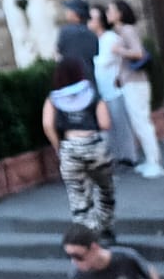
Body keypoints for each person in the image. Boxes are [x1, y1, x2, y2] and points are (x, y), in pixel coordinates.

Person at [45, 54, 116, 240]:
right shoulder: (92, 93)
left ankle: (87, 239)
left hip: (70, 148)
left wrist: (58, 146)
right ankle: (105, 229)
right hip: (95, 146)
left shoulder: (53, 99)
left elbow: (47, 124)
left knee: (78, 196)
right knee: (105, 189)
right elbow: (105, 123)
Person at [106, 0, 164, 178]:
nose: (108, 14)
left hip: (135, 82)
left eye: (111, 10)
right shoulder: (123, 31)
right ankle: (151, 159)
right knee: (139, 121)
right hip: (131, 81)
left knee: (141, 121)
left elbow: (138, 52)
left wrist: (118, 50)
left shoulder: (127, 30)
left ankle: (154, 162)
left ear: (120, 14)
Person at [93, 7, 143, 170]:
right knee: (109, 124)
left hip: (114, 88)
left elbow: (104, 61)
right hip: (103, 89)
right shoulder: (96, 40)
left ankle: (129, 156)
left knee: (121, 122)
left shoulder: (110, 38)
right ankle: (116, 155)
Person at [57, 0, 100, 70]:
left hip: (72, 76)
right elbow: (95, 53)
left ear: (75, 14)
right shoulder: (92, 33)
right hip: (89, 75)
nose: (66, 12)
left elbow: (60, 51)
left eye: (69, 10)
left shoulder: (66, 31)